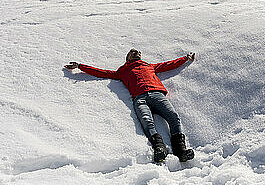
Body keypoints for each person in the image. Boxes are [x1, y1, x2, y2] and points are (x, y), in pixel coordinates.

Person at [64, 49, 195, 163]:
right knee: (147, 121)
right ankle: (159, 148)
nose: (137, 53)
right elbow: (101, 72)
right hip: (140, 99)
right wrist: (80, 66)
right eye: (133, 52)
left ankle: (181, 150)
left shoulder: (149, 66)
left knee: (173, 116)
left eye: (138, 52)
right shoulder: (122, 71)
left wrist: (185, 58)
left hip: (158, 94)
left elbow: (168, 65)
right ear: (127, 58)